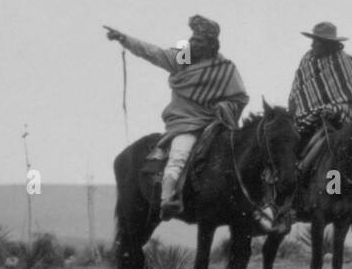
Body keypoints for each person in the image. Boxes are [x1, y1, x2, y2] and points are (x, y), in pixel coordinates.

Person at [104, 15, 248, 218]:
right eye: (193, 38)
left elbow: (239, 98)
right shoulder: (183, 59)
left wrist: (225, 107)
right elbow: (152, 52)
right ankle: (167, 199)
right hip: (186, 125)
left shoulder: (225, 69)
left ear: (211, 45)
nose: (192, 43)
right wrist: (124, 39)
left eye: (199, 41)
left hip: (216, 123)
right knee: (179, 155)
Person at [288, 21, 352, 246]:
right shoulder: (307, 60)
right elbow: (298, 92)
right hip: (308, 119)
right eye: (313, 40)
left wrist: (333, 109)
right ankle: (287, 207)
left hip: (340, 121)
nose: (313, 44)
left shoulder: (345, 62)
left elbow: (350, 98)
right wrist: (303, 113)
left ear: (329, 44)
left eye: (317, 41)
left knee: (348, 165)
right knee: (293, 157)